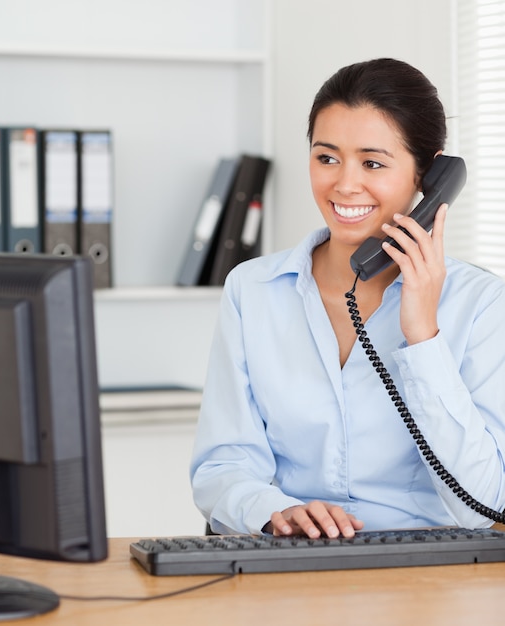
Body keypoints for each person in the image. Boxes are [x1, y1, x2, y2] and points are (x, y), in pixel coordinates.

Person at [190, 58, 505, 539]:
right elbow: (222, 465)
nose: (344, 184)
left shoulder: (480, 303)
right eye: (327, 157)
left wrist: (422, 336)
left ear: (430, 176)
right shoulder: (252, 291)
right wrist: (271, 510)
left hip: (428, 579)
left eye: (373, 162)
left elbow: (483, 504)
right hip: (293, 565)